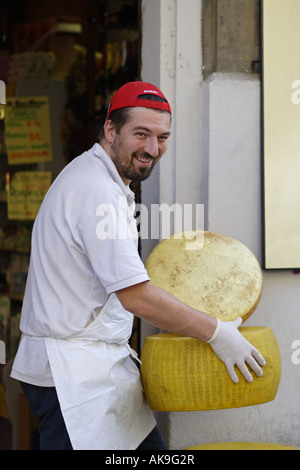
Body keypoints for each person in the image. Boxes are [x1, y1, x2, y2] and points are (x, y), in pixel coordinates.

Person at [11, 81, 266, 450]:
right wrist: (216, 333)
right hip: (71, 377)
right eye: (141, 134)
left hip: (95, 369)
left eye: (162, 137)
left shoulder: (98, 179)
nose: (151, 148)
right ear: (111, 130)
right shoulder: (96, 190)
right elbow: (135, 295)